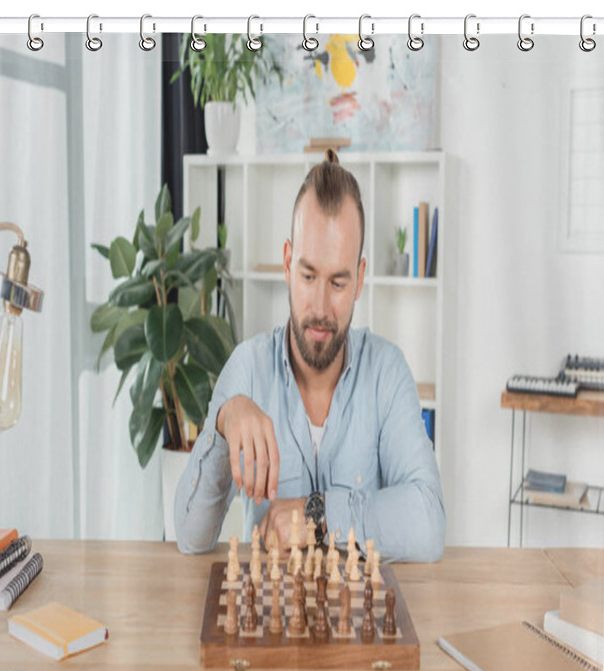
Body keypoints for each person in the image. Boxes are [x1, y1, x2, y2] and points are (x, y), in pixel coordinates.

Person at [174, 150, 444, 562]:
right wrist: (223, 420)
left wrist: (316, 513)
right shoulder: (247, 369)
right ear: (286, 263)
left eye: (338, 282)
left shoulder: (387, 372)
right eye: (307, 275)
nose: (319, 306)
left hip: (362, 623)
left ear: (360, 279)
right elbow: (191, 537)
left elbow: (427, 525)